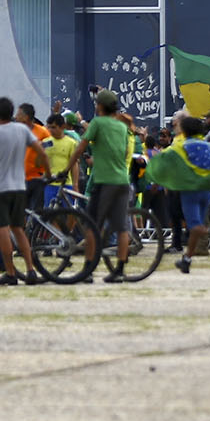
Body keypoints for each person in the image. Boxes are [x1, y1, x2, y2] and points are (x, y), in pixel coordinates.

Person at [145, 114, 210, 274]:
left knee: (194, 225)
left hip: (190, 190)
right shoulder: (207, 145)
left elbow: (163, 163)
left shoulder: (181, 146)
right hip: (207, 189)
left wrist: (155, 180)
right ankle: (187, 259)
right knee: (196, 225)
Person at [0, 97, 38, 285]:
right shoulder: (22, 130)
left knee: (2, 229)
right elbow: (41, 151)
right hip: (19, 186)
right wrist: (49, 172)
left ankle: (11, 272)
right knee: (18, 229)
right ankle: (30, 270)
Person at [78, 90, 135, 281]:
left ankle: (88, 269)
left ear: (99, 107)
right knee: (121, 228)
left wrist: (67, 168)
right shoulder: (121, 127)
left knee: (93, 226)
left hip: (104, 181)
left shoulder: (98, 122)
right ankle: (119, 270)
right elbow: (124, 150)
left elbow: (81, 145)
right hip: (122, 181)